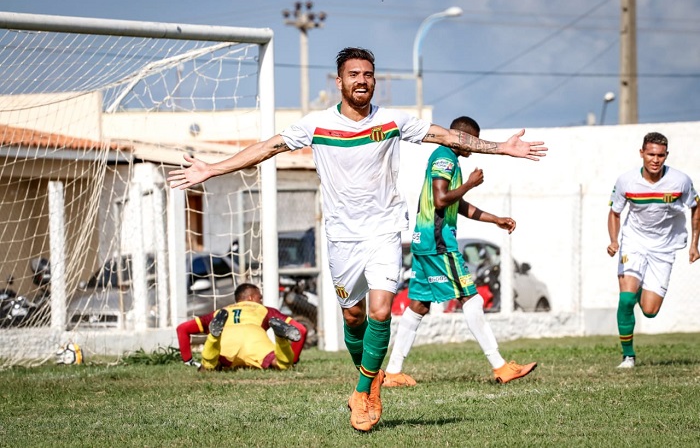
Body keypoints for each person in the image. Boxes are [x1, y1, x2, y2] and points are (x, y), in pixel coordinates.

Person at [167, 47, 547, 431]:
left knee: (383, 310)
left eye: (368, 74)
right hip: (341, 239)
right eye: (354, 74)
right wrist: (212, 169)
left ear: (374, 80)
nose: (361, 80)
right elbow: (268, 147)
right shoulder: (316, 124)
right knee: (354, 317)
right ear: (340, 81)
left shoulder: (393, 120)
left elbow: (446, 135)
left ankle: (365, 391)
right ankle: (370, 379)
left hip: (384, 231)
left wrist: (502, 148)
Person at [383, 116, 537, 389]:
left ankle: (393, 372)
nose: (475, 146)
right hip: (439, 242)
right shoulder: (445, 157)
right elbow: (442, 198)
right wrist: (470, 183)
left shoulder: (446, 159)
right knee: (471, 298)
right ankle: (501, 366)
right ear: (461, 137)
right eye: (474, 141)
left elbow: (457, 204)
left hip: (425, 240)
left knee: (418, 304)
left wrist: (495, 219)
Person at [607, 132, 699, 369]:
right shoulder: (626, 181)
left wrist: (694, 244)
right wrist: (614, 240)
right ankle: (628, 356)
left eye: (660, 155)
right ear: (642, 154)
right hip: (633, 243)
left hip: (664, 248)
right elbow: (615, 212)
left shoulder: (680, 181)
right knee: (626, 300)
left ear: (666, 155)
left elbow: (696, 207)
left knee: (649, 311)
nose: (655, 160)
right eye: (651, 154)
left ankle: (640, 292)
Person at [176, 283, 307, 371]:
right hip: (255, 339)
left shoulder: (221, 311)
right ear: (250, 298)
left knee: (210, 366)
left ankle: (213, 338)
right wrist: (293, 362)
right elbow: (301, 330)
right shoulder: (265, 309)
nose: (261, 301)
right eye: (259, 298)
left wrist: (188, 360)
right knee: (280, 363)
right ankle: (281, 339)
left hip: (227, 340)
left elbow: (182, 329)